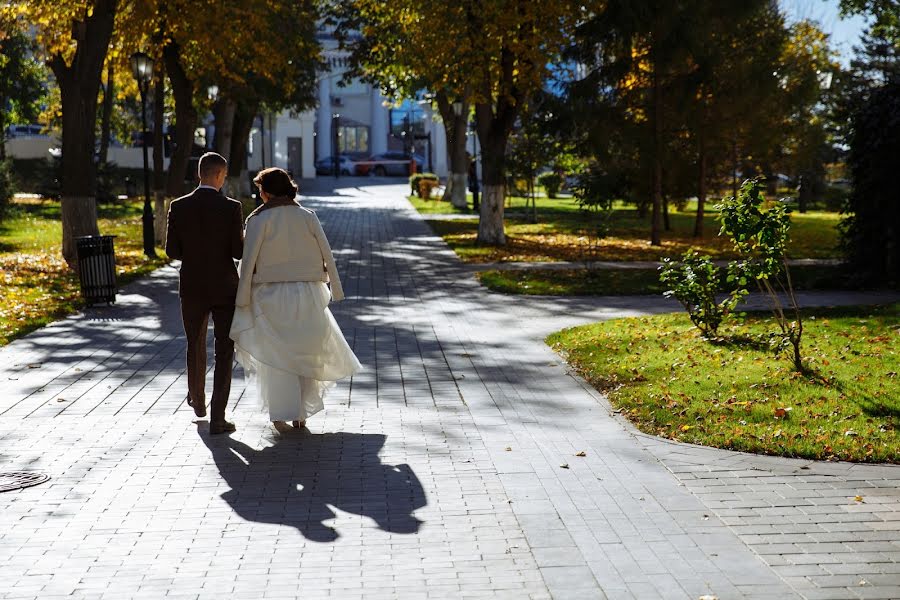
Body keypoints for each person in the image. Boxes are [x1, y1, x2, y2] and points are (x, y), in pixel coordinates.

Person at [230, 168, 361, 429]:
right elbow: (327, 253)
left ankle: (280, 413)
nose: (259, 194)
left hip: (271, 294)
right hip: (308, 293)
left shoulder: (258, 220)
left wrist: (242, 298)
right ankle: (300, 412)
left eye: (260, 190)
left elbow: (248, 262)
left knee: (277, 357)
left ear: (266, 192)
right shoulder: (307, 216)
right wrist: (335, 288)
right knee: (305, 351)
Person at [165, 152, 244, 435]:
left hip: (192, 286)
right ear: (221, 175)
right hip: (224, 287)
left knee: (194, 342)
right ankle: (218, 417)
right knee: (224, 349)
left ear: (199, 173)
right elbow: (238, 251)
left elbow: (172, 251)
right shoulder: (232, 207)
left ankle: (198, 401)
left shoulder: (179, 206)